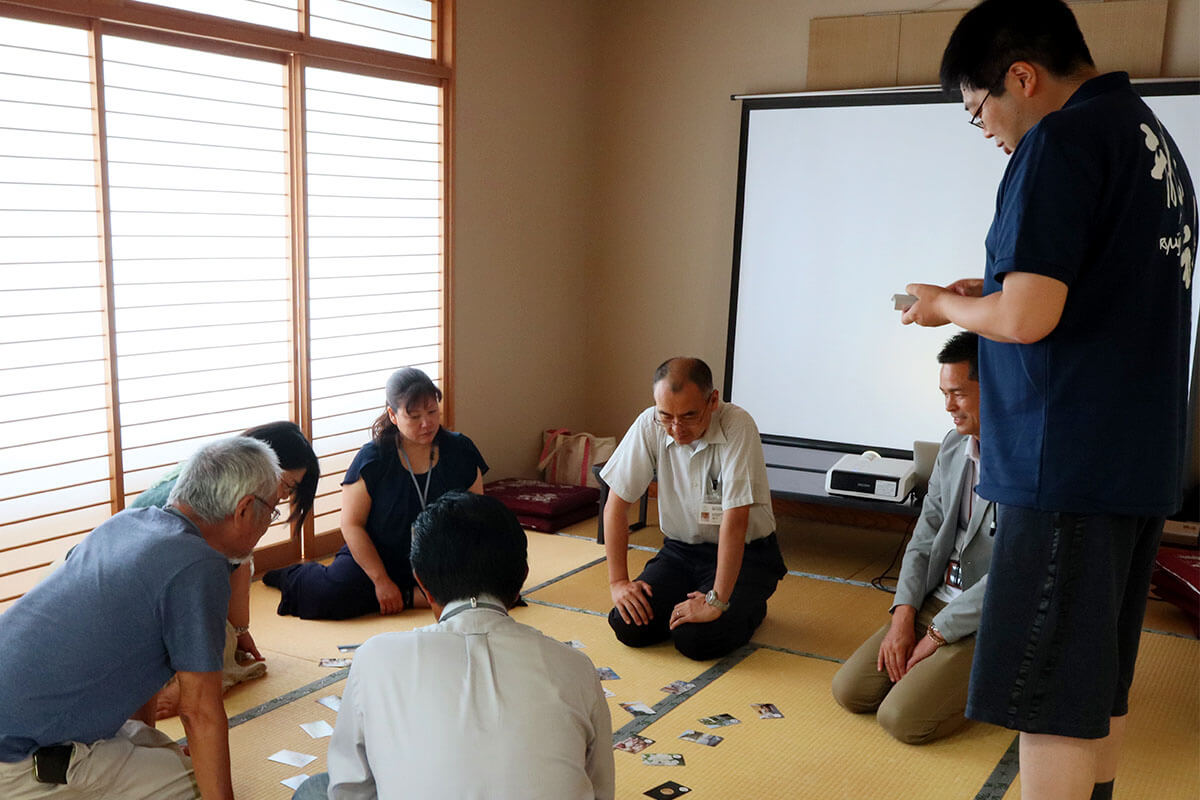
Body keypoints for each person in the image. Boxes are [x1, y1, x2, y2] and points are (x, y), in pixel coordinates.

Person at [901, 1, 1194, 796]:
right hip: (1133, 461)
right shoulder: (1148, 135)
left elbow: (1029, 318)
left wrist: (944, 306)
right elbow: (1088, 290)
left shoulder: (1060, 140)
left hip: (1065, 464)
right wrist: (988, 288)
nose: (988, 129)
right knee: (1095, 686)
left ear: (1021, 76)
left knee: (1053, 699)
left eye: (979, 110)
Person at [0, 436, 282, 800]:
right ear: (244, 509)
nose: (268, 523)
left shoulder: (129, 522)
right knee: (198, 785)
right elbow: (200, 712)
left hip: (22, 720)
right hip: (18, 760)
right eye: (272, 511)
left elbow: (132, 659)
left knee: (171, 756)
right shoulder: (199, 566)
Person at [290, 491, 615, 800]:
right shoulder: (576, 667)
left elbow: (349, 788)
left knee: (316, 789)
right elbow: (601, 791)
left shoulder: (376, 657)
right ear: (520, 582)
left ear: (422, 585)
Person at [832, 332, 994, 744]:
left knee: (902, 720)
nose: (948, 407)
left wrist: (938, 634)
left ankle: (1002, 681)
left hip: (988, 615)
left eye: (958, 393)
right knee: (851, 691)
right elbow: (925, 534)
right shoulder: (954, 445)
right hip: (937, 597)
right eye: (943, 393)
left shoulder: (1028, 463)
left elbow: (1015, 572)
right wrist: (903, 615)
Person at [601, 356, 787, 661]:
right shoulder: (650, 424)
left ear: (712, 401)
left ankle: (751, 604)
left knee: (696, 640)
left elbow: (736, 521)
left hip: (749, 554)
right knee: (628, 624)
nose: (676, 428)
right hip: (682, 552)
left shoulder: (738, 425)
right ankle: (687, 604)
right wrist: (618, 582)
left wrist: (717, 601)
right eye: (666, 416)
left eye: (689, 416)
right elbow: (616, 505)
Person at [129, 420, 319, 717]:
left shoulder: (218, 473)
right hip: (148, 606)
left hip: (147, 589)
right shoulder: (226, 510)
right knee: (211, 662)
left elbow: (238, 564)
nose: (283, 497)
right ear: (263, 469)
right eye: (286, 486)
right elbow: (200, 596)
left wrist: (240, 632)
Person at [265, 367, 487, 619]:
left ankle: (403, 597)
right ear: (393, 415)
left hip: (440, 556)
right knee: (330, 597)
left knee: (491, 588)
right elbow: (351, 525)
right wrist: (380, 580)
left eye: (432, 412)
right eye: (414, 416)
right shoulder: (374, 459)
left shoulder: (461, 450)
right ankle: (294, 575)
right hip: (379, 556)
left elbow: (476, 517)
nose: (427, 423)